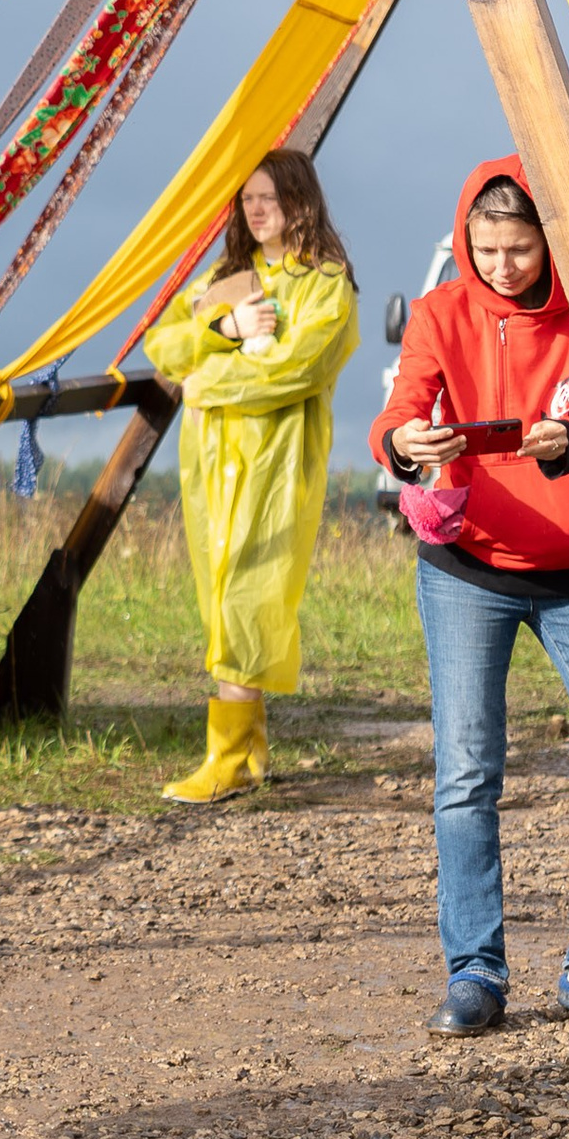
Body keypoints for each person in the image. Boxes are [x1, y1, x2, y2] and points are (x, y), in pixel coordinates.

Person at [370, 157, 569, 1039]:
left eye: (519, 246)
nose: (502, 265)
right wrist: (404, 441)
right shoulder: (439, 313)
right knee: (467, 775)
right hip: (468, 568)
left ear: (550, 239)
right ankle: (476, 972)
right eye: (486, 246)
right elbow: (395, 414)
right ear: (466, 238)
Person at [144, 149, 359, 803]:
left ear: (302, 199)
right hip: (212, 460)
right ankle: (249, 747)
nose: (257, 210)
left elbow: (293, 371)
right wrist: (224, 324)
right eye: (248, 199)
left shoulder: (327, 284)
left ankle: (230, 757)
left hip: (277, 459)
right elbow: (163, 343)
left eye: (270, 196)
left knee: (249, 594)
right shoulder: (228, 276)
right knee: (221, 598)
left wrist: (205, 379)